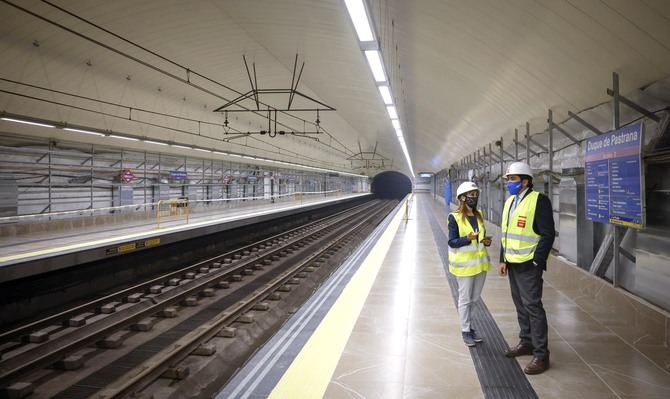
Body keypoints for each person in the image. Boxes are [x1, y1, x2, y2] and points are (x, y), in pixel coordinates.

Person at [498, 161, 555, 374]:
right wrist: (503, 259)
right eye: (508, 180)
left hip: (529, 264)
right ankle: (527, 342)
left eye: (512, 180)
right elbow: (506, 233)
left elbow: (548, 234)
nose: (509, 184)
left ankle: (541, 355)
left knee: (533, 307)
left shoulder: (539, 201)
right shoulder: (510, 202)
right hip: (512, 262)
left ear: (525, 181)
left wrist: (536, 261)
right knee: (520, 305)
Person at [448, 181, 492, 347]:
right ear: (462, 198)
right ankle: (465, 330)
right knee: (465, 299)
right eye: (471, 195)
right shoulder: (454, 217)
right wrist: (468, 239)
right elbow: (452, 242)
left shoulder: (479, 214)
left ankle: (470, 327)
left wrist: (484, 241)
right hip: (464, 266)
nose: (474, 198)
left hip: (480, 265)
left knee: (474, 298)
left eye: (476, 195)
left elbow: (481, 237)